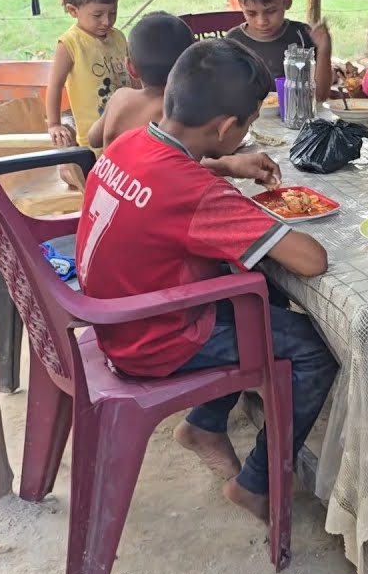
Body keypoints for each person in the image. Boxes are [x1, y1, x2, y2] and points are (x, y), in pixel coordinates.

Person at [75, 38, 338, 521]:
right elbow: (310, 261)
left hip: (117, 314)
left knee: (258, 294)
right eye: (249, 124)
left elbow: (174, 173)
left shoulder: (133, 141)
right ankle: (255, 484)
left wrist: (226, 164)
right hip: (156, 340)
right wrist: (234, 195)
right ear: (224, 127)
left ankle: (205, 422)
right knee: (315, 349)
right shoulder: (197, 195)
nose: (248, 132)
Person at [44, 0, 132, 149]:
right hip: (95, 140)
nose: (106, 21)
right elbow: (55, 86)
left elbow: (133, 78)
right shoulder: (70, 44)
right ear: (73, 11)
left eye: (113, 13)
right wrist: (54, 124)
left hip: (128, 131)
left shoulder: (118, 38)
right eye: (98, 15)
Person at [225, 0, 334, 99]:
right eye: (251, 13)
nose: (262, 22)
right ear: (241, 6)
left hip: (298, 116)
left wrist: (324, 49)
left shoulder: (302, 36)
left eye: (271, 11)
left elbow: (320, 95)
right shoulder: (234, 41)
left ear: (287, 2)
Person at [87, 12, 196, 149]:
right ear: (191, 69)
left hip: (109, 170)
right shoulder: (174, 114)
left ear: (130, 68)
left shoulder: (120, 98)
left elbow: (93, 139)